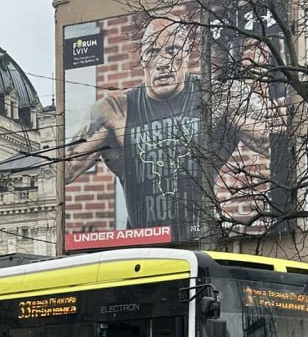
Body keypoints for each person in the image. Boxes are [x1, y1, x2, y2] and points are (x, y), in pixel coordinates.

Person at [65, 14, 265, 241]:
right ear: (142, 58)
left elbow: (277, 146)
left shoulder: (218, 97)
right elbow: (63, 172)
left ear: (187, 52)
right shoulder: (118, 110)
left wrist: (240, 106)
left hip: (202, 242)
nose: (162, 62)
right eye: (152, 52)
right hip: (143, 247)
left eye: (172, 50)